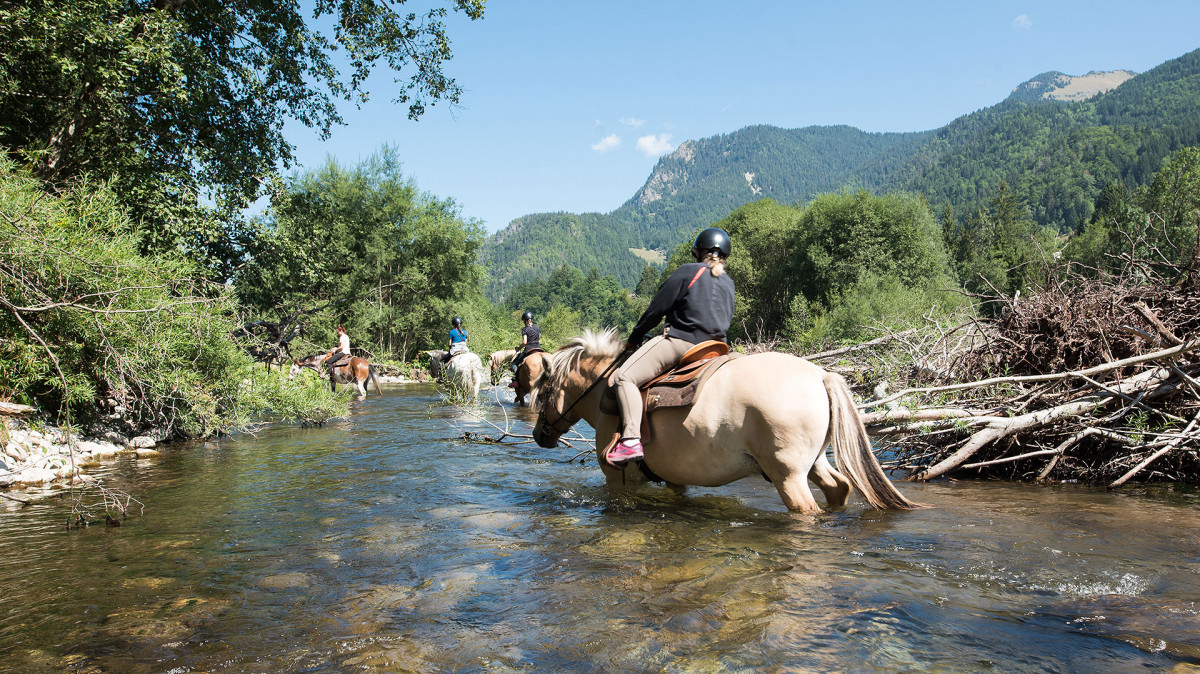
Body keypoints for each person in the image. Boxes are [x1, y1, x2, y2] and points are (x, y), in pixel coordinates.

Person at [607, 227, 735, 465]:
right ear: (724, 255)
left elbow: (655, 311)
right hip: (717, 349)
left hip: (682, 342)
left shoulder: (688, 272)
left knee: (624, 377)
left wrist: (635, 337)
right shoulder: (728, 282)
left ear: (698, 252)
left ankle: (631, 440)